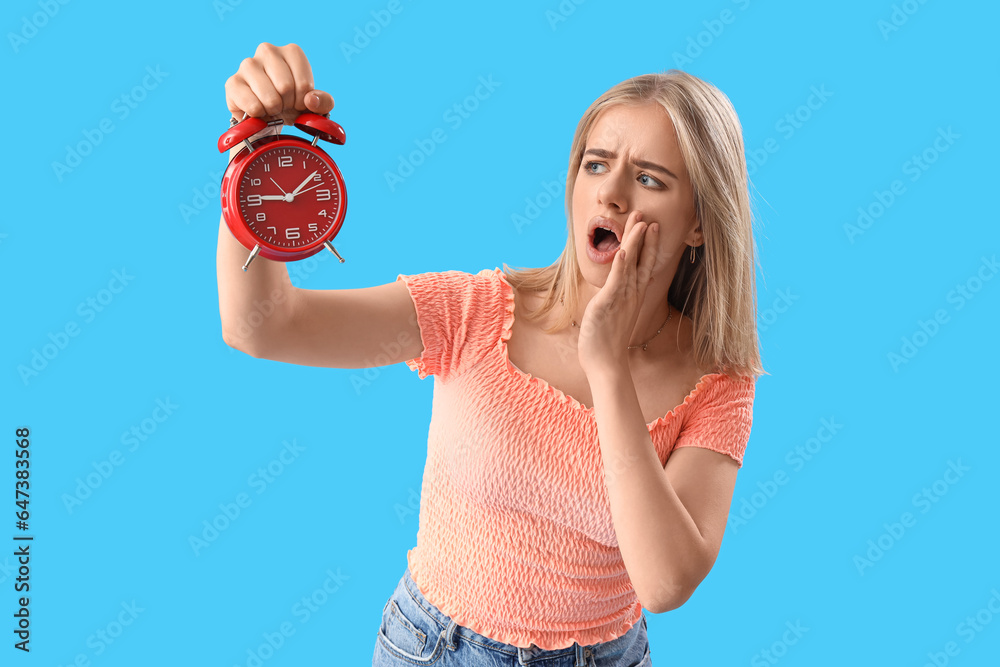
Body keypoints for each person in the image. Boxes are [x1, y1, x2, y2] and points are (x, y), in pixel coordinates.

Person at [218, 42, 764, 667]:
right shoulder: (471, 311)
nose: (610, 195)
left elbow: (665, 582)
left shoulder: (718, 382)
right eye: (595, 164)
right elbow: (263, 327)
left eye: (648, 179)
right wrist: (256, 160)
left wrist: (607, 363)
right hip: (435, 650)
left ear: (699, 221)